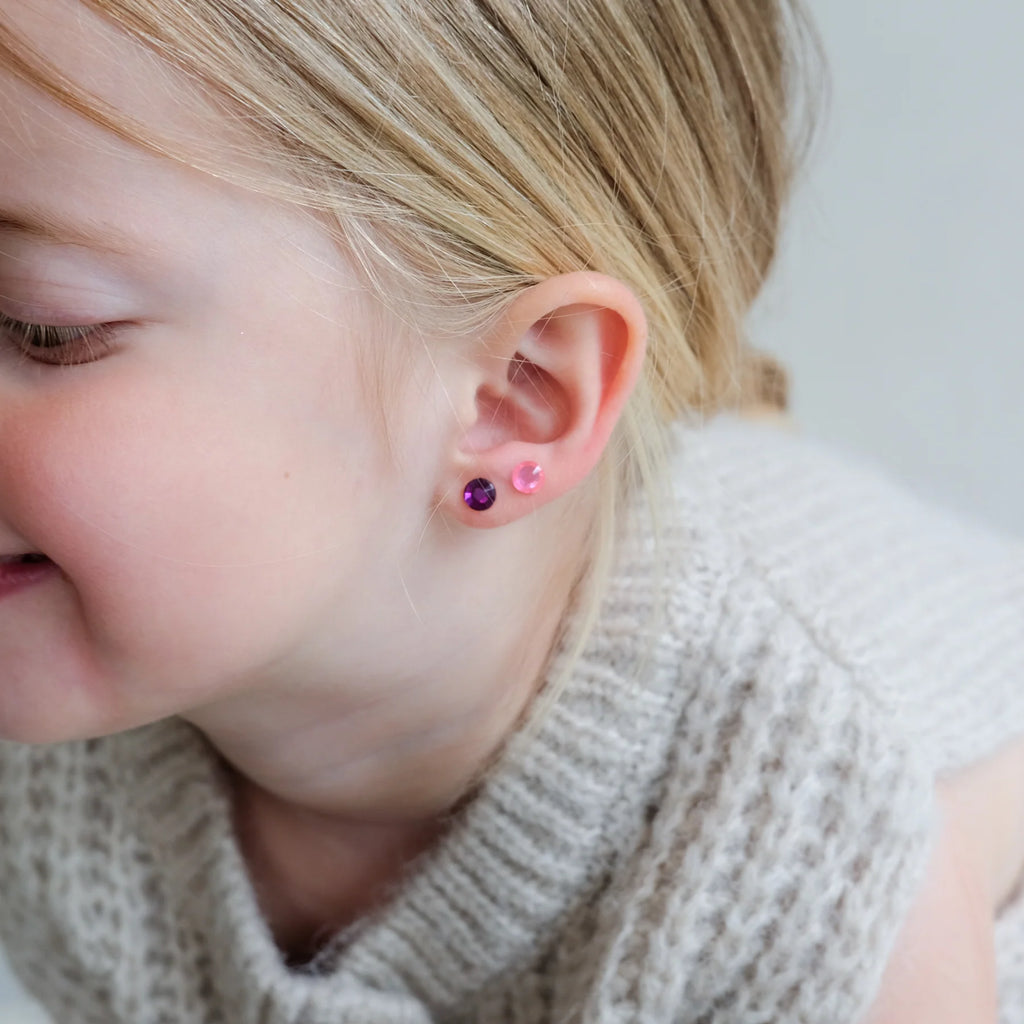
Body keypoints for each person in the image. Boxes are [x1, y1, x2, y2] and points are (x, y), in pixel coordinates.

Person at [0, 1, 1021, 1022]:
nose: (35, 336)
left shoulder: (808, 856)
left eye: (43, 328)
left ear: (513, 398)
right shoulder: (62, 715)